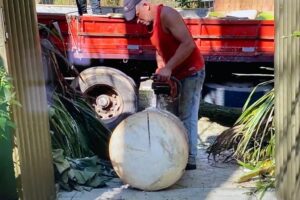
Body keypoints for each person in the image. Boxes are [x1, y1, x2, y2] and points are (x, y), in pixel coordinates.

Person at [123, 0, 206, 170]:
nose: (137, 21)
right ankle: (174, 152)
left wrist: (168, 68)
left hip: (191, 71)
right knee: (169, 117)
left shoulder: (167, 14)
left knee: (186, 115)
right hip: (176, 72)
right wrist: (161, 69)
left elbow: (188, 44)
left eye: (137, 15)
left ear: (145, 4)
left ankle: (190, 159)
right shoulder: (150, 23)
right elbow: (159, 49)